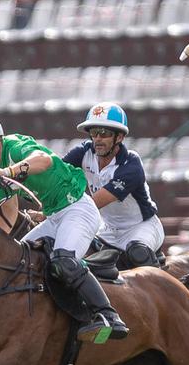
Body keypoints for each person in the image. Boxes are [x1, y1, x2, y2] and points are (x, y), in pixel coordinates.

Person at [0, 111, 129, 344]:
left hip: (78, 210)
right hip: (54, 218)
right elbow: (8, 211)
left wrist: (8, 172)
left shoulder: (13, 147)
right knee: (16, 261)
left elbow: (44, 160)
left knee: (63, 261)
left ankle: (107, 315)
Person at [63, 104, 164, 268]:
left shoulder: (131, 163)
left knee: (137, 253)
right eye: (94, 133)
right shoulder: (83, 152)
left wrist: (51, 214)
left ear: (120, 137)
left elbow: (95, 202)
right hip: (108, 230)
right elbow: (56, 173)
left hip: (141, 227)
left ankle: (161, 289)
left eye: (104, 133)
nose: (97, 139)